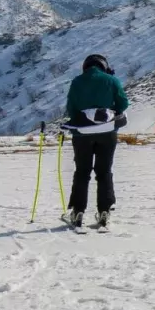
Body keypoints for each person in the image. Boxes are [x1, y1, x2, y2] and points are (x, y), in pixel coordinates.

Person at [62, 54, 128, 229]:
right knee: (104, 171)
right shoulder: (112, 80)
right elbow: (123, 103)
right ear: (104, 66)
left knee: (82, 172)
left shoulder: (77, 81)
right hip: (107, 132)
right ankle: (104, 211)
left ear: (86, 66)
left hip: (82, 134)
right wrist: (109, 113)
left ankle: (78, 212)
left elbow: (71, 108)